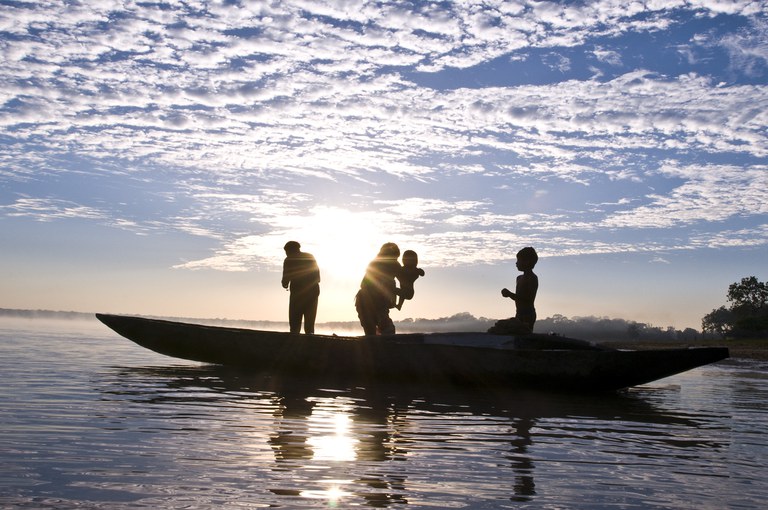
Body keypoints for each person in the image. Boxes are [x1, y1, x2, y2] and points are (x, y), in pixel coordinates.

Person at [488, 246, 539, 335]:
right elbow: (519, 298)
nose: (516, 263)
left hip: (528, 315)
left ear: (527, 262)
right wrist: (509, 294)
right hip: (519, 314)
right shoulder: (519, 278)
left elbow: (527, 300)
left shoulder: (532, 278)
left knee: (520, 335)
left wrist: (509, 294)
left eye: (518, 260)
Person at [355, 242, 401, 335]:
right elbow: (363, 284)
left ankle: (376, 338)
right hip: (367, 302)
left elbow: (404, 284)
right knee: (379, 331)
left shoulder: (393, 265)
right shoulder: (376, 264)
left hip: (373, 302)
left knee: (379, 332)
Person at [281, 241, 321, 334]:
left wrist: (285, 283)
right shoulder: (310, 256)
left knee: (295, 320)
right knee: (310, 321)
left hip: (297, 293)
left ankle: (294, 339)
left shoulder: (289, 259)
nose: (286, 254)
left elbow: (286, 277)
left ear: (290, 250)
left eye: (286, 251)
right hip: (313, 291)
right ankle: (310, 338)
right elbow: (317, 275)